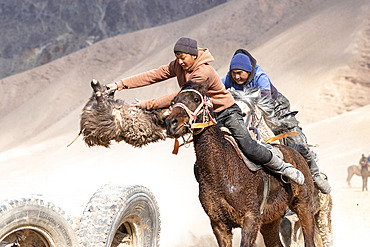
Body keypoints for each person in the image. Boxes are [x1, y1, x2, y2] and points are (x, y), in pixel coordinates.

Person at [106, 37, 304, 185]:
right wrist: (120, 85)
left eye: (182, 58)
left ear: (193, 55)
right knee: (203, 161)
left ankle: (283, 167)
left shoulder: (203, 72)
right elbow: (154, 75)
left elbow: (182, 95)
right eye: (177, 58)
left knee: (248, 146)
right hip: (206, 115)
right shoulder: (178, 65)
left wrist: (147, 104)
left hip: (226, 112)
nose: (180, 62)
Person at [221, 49, 331, 194]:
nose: (236, 76)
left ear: (248, 71)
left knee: (295, 140)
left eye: (240, 73)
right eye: (233, 72)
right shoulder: (229, 78)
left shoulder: (260, 76)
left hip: (273, 109)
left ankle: (315, 176)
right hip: (244, 113)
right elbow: (215, 87)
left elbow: (266, 99)